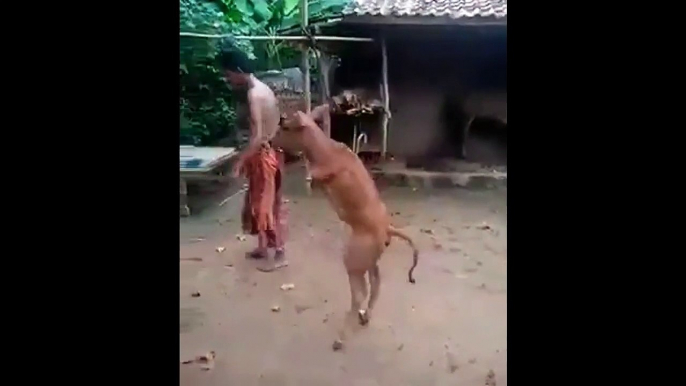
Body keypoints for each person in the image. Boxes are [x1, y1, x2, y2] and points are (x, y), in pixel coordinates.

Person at [218, 40, 287, 272]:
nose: (229, 81)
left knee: (263, 206)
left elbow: (257, 136)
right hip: (272, 152)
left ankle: (278, 253)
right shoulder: (264, 88)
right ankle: (263, 248)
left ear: (237, 71)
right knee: (260, 203)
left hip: (263, 155)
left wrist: (241, 161)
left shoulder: (254, 95)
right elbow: (275, 123)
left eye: (229, 76)